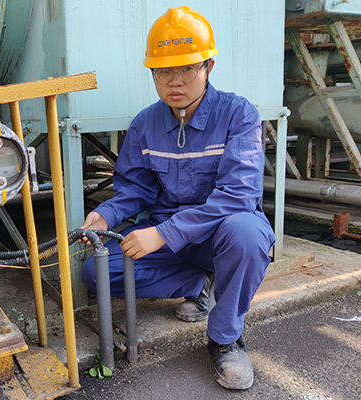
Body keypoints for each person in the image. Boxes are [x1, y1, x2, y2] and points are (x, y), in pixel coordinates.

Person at [79, 6, 275, 390]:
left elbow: (239, 194)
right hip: (168, 234)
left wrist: (163, 234)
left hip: (218, 233)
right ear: (152, 72)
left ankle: (225, 339)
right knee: (95, 273)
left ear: (209, 66)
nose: (175, 82)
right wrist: (106, 214)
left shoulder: (238, 115)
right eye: (163, 71)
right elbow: (135, 189)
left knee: (248, 235)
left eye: (187, 69)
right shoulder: (144, 124)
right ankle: (197, 284)